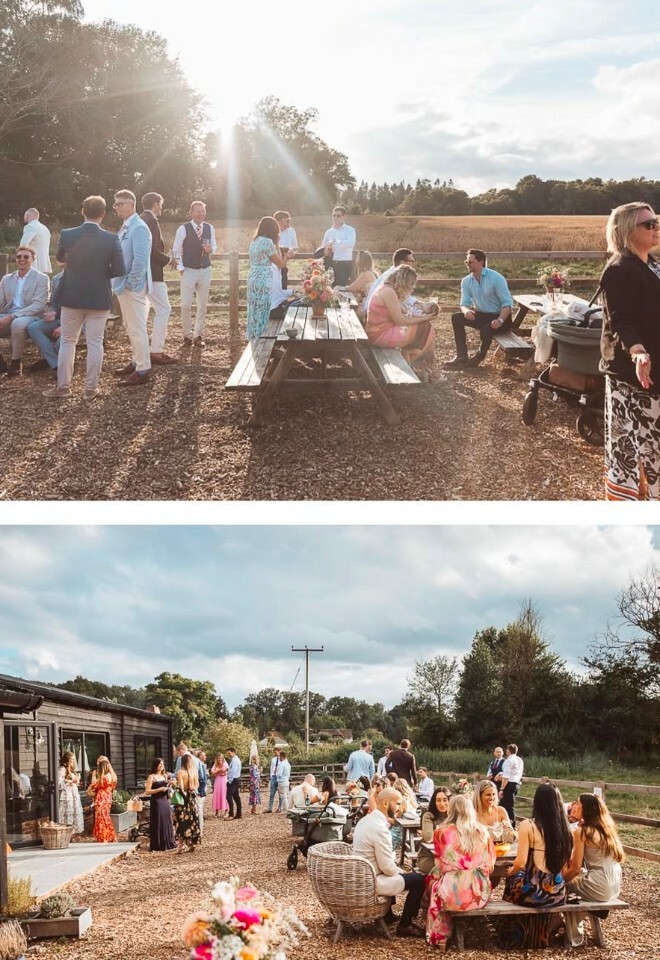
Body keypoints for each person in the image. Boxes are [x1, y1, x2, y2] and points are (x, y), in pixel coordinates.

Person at [599, 202, 660, 499]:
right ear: (625, 231)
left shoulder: (652, 263)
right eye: (648, 224)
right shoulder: (620, 269)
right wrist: (638, 352)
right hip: (634, 377)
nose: (656, 227)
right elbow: (619, 319)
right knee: (636, 447)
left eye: (656, 221)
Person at [43, 195, 125, 400]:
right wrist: (100, 273)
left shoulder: (67, 234)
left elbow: (61, 258)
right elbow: (120, 269)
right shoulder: (111, 238)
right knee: (95, 343)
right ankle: (90, 388)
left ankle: (63, 387)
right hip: (98, 297)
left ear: (82, 211)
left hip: (72, 295)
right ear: (103, 214)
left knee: (68, 342)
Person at [499, 783, 573, 949]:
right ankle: (540, 932)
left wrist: (511, 871)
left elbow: (520, 863)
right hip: (557, 892)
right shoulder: (566, 829)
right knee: (521, 881)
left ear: (537, 802)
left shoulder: (529, 825)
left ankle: (514, 934)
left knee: (513, 880)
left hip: (534, 892)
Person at [352, 787, 426, 938]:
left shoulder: (364, 821)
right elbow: (387, 868)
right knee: (419, 880)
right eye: (398, 803)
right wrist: (404, 873)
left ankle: (387, 915)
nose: (400, 807)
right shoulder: (380, 828)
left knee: (396, 868)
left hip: (359, 875)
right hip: (372, 882)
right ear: (386, 803)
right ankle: (405, 925)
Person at [426, 794, 495, 948]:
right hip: (478, 893)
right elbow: (490, 863)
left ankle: (441, 937)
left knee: (435, 886)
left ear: (451, 810)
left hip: (453, 893)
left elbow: (440, 865)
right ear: (470, 810)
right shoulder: (483, 831)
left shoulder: (441, 832)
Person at [563, 794, 624, 947]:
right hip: (614, 883)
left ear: (586, 809)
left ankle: (573, 937)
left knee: (565, 887)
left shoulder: (582, 832)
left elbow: (575, 868)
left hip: (599, 884)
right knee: (575, 882)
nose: (573, 805)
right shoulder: (606, 828)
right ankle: (574, 929)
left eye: (577, 803)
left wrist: (559, 881)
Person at [111, 189, 153, 386]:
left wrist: (130, 283)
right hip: (123, 285)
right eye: (115, 204)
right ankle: (137, 360)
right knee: (130, 326)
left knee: (137, 327)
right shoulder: (126, 226)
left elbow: (141, 259)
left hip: (132, 286)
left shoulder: (139, 228)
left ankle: (143, 369)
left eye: (120, 203)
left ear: (132, 205)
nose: (116, 207)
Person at [366, 266, 437, 381]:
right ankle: (419, 363)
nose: (411, 288)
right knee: (427, 328)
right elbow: (400, 321)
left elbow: (401, 315)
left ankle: (419, 362)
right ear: (404, 282)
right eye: (411, 284)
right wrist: (425, 318)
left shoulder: (387, 288)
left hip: (379, 330)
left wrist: (420, 316)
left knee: (425, 329)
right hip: (380, 335)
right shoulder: (389, 292)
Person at [445, 248, 514, 368]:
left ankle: (479, 357)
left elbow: (507, 304)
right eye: (466, 262)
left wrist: (500, 320)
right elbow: (464, 303)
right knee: (456, 318)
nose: (468, 265)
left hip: (501, 317)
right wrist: (466, 311)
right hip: (482, 315)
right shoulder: (466, 281)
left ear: (481, 262)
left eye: (470, 262)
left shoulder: (496, 278)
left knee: (487, 328)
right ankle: (461, 356)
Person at [172, 200, 217, 347]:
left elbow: (214, 246)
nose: (201, 213)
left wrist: (211, 249)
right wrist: (180, 268)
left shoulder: (210, 228)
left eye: (203, 210)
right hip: (189, 270)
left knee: (202, 305)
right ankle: (187, 335)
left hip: (205, 269)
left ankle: (198, 335)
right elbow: (175, 250)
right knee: (185, 305)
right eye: (198, 211)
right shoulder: (183, 229)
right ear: (191, 213)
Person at [0, 246, 49, 376]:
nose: (22, 259)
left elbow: (38, 305)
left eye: (26, 257)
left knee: (18, 323)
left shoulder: (41, 278)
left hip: (31, 315)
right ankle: (1, 363)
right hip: (8, 313)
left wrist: (12, 316)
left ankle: (16, 362)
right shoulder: (7, 279)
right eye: (19, 256)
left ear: (33, 259)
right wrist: (8, 315)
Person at [140, 192, 176, 366]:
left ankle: (142, 352)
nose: (162, 207)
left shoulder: (140, 219)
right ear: (155, 203)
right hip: (152, 274)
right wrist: (169, 260)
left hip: (142, 274)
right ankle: (156, 350)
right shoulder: (152, 220)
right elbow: (153, 250)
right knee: (164, 309)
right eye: (161, 204)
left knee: (145, 312)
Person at [246, 216, 285, 340]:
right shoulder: (268, 242)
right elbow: (279, 264)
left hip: (253, 275)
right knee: (264, 308)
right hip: (263, 277)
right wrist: (278, 246)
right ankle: (262, 336)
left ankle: (253, 335)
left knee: (254, 307)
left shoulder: (254, 241)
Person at [26, 270, 63, 376]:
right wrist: (52, 312)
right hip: (57, 318)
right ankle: (55, 363)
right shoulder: (56, 278)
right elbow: (53, 302)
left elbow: (83, 309)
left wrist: (64, 327)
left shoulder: (83, 277)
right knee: (33, 328)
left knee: (61, 343)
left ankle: (63, 368)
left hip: (75, 321)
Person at [318, 206, 356, 287]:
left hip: (344, 263)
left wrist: (335, 242)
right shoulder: (328, 232)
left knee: (340, 288)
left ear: (343, 217)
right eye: (333, 215)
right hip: (330, 263)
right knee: (328, 288)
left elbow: (350, 243)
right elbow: (323, 247)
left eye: (338, 216)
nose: (335, 217)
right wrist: (326, 249)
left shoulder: (350, 230)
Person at [417, 787, 451, 876]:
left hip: (449, 858)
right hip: (429, 857)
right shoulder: (429, 815)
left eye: (445, 800)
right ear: (434, 802)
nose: (442, 804)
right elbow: (428, 837)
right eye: (438, 800)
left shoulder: (453, 817)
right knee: (445, 872)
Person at [144, 757, 176, 852]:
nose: (161, 766)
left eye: (162, 764)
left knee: (167, 820)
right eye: (159, 764)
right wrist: (159, 790)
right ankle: (158, 843)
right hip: (157, 801)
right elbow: (147, 791)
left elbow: (167, 788)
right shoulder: (151, 777)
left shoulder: (165, 776)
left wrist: (170, 786)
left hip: (165, 800)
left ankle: (168, 841)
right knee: (158, 820)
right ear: (156, 765)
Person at [336, 250, 378, 318]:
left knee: (350, 313)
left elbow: (352, 288)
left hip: (370, 303)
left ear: (360, 261)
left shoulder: (366, 274)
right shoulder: (372, 272)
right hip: (373, 301)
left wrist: (338, 288)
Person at [174, 753, 201, 853]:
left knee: (181, 822)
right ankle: (192, 843)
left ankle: (181, 845)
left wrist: (174, 784)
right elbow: (197, 785)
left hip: (184, 799)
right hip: (193, 798)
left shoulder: (180, 772)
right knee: (193, 820)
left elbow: (180, 788)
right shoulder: (194, 772)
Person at [88, 756, 117, 843]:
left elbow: (94, 786)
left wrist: (90, 786)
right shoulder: (113, 776)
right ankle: (111, 837)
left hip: (101, 798)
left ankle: (103, 838)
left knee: (101, 818)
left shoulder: (104, 778)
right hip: (108, 797)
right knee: (106, 817)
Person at [57, 751, 84, 835]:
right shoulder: (62, 769)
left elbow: (74, 782)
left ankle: (72, 832)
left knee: (74, 812)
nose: (73, 761)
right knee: (67, 813)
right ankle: (66, 832)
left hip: (73, 794)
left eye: (73, 759)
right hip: (67, 795)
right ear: (67, 760)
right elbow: (59, 783)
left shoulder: (72, 769)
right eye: (71, 759)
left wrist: (76, 780)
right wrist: (69, 781)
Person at [498, 744, 524, 826]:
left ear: (508, 751)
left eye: (506, 750)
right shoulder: (519, 760)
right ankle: (500, 823)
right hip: (516, 784)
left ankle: (512, 826)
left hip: (509, 784)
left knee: (509, 806)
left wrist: (501, 789)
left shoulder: (508, 761)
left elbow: (506, 777)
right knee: (502, 805)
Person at [21, 208, 52, 274]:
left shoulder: (30, 226)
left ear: (28, 216)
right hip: (44, 263)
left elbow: (24, 244)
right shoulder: (45, 228)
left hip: (33, 263)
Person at [274, 210, 298, 288]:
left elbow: (295, 247)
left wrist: (292, 252)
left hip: (283, 265)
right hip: (272, 267)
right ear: (279, 222)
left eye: (289, 221)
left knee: (283, 289)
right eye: (286, 221)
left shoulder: (291, 231)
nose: (289, 223)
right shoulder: (272, 232)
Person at [226, 748, 242, 820]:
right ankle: (239, 813)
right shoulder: (235, 760)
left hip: (233, 780)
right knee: (236, 797)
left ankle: (231, 814)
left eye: (229, 753)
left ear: (233, 752)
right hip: (236, 779)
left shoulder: (235, 760)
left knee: (229, 796)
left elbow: (233, 771)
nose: (228, 755)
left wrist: (229, 781)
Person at [211, 753, 229, 818]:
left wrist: (218, 771)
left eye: (221, 758)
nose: (220, 759)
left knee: (225, 794)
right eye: (219, 758)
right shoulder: (215, 764)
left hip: (224, 780)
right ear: (217, 759)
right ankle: (217, 811)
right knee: (217, 794)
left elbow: (225, 771)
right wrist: (218, 771)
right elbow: (212, 772)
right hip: (218, 780)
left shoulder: (225, 764)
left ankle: (226, 810)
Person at [265, 748, 281, 814]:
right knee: (272, 794)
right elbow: (272, 768)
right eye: (274, 752)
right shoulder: (273, 759)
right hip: (274, 776)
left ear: (279, 752)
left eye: (276, 752)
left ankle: (280, 808)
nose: (275, 753)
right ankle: (270, 808)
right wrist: (271, 776)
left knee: (280, 794)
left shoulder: (283, 759)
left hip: (280, 777)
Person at [196, 749, 208, 835]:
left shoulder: (201, 765)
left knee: (199, 809)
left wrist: (201, 790)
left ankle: (200, 830)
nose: (205, 757)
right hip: (201, 788)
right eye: (203, 755)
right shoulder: (200, 764)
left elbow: (203, 779)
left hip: (200, 789)